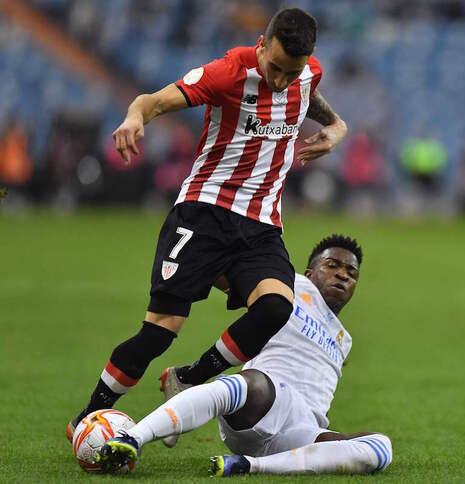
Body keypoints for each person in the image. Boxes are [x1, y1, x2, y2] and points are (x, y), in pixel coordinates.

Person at [67, 7, 348, 440]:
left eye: (289, 74)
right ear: (261, 45)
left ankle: (189, 377)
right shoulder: (228, 73)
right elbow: (152, 101)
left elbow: (307, 90)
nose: (279, 81)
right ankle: (86, 419)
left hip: (261, 225)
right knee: (159, 332)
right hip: (204, 214)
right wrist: (134, 117)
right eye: (274, 68)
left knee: (276, 307)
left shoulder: (307, 73)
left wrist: (336, 125)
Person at [95, 235, 393, 476]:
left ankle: (250, 466)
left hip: (303, 430)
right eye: (332, 265)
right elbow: (227, 274)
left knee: (381, 448)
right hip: (262, 401)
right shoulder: (289, 286)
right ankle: (132, 438)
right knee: (247, 383)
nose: (342, 274)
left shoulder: (344, 340)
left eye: (351, 273)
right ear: (310, 273)